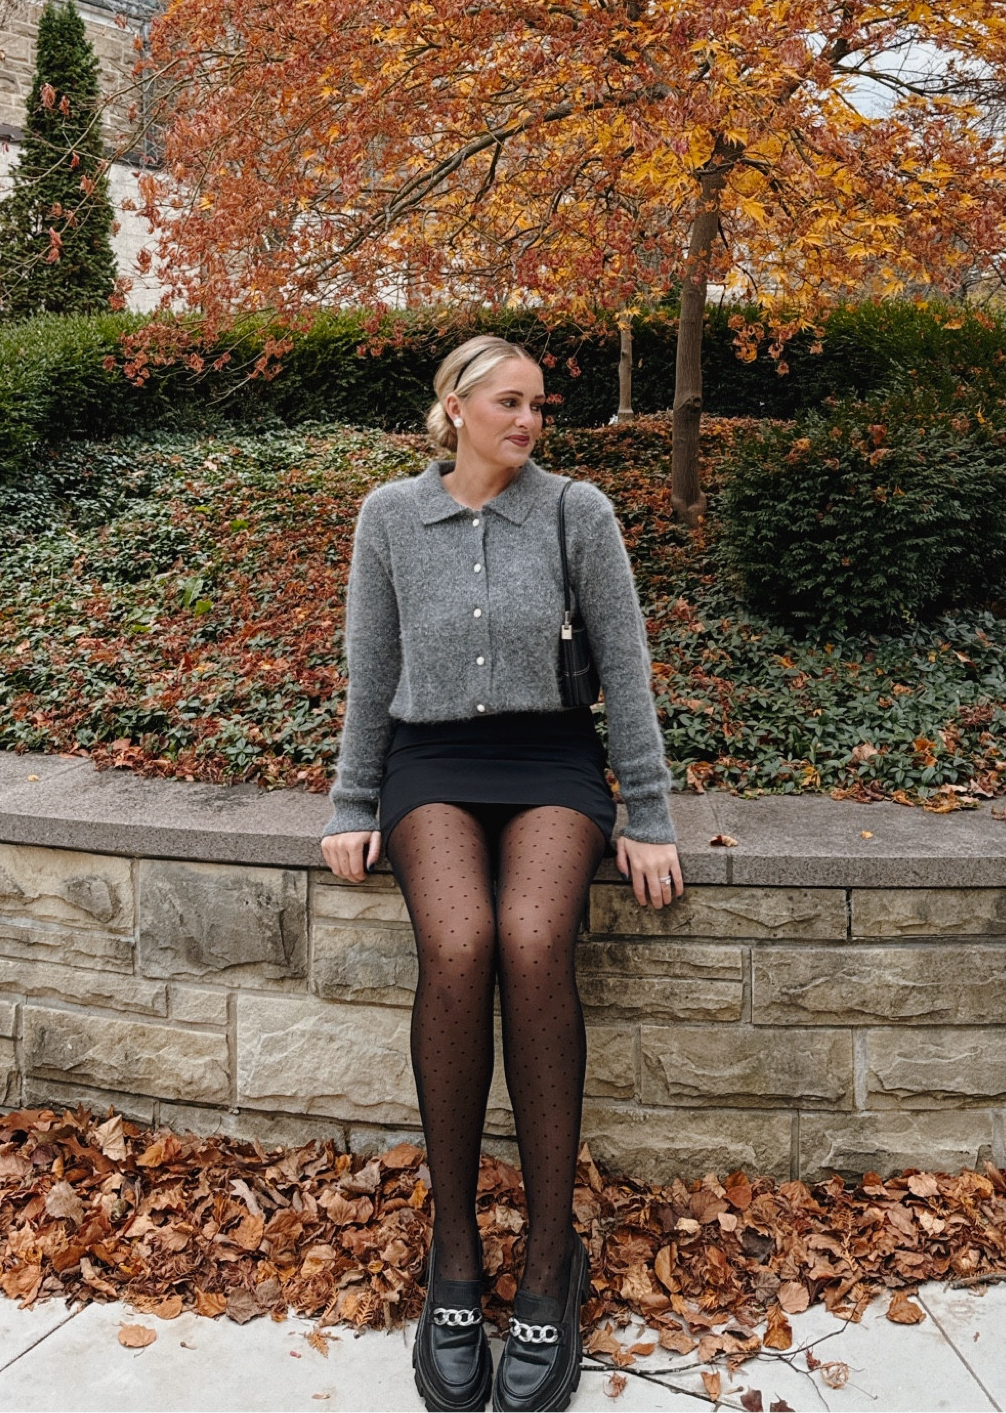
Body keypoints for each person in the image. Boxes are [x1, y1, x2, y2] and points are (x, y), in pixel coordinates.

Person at [322, 335, 682, 1413]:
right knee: (461, 942)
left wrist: (649, 811)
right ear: (458, 407)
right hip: (431, 758)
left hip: (550, 760)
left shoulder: (579, 512)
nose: (528, 420)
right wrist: (351, 801)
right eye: (508, 401)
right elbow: (370, 668)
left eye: (538, 404)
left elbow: (624, 663)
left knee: (532, 940)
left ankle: (547, 1258)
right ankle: (453, 1254)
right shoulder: (390, 515)